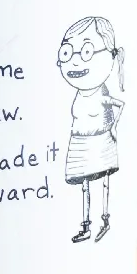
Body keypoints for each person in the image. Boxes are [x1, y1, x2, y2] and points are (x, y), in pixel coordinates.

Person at [56, 14, 124, 244]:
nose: (74, 62)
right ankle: (86, 225)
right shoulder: (80, 94)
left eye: (86, 52)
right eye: (66, 53)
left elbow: (120, 104)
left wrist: (113, 126)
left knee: (104, 180)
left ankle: (105, 219)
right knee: (84, 185)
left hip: (101, 139)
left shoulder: (101, 92)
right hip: (80, 143)